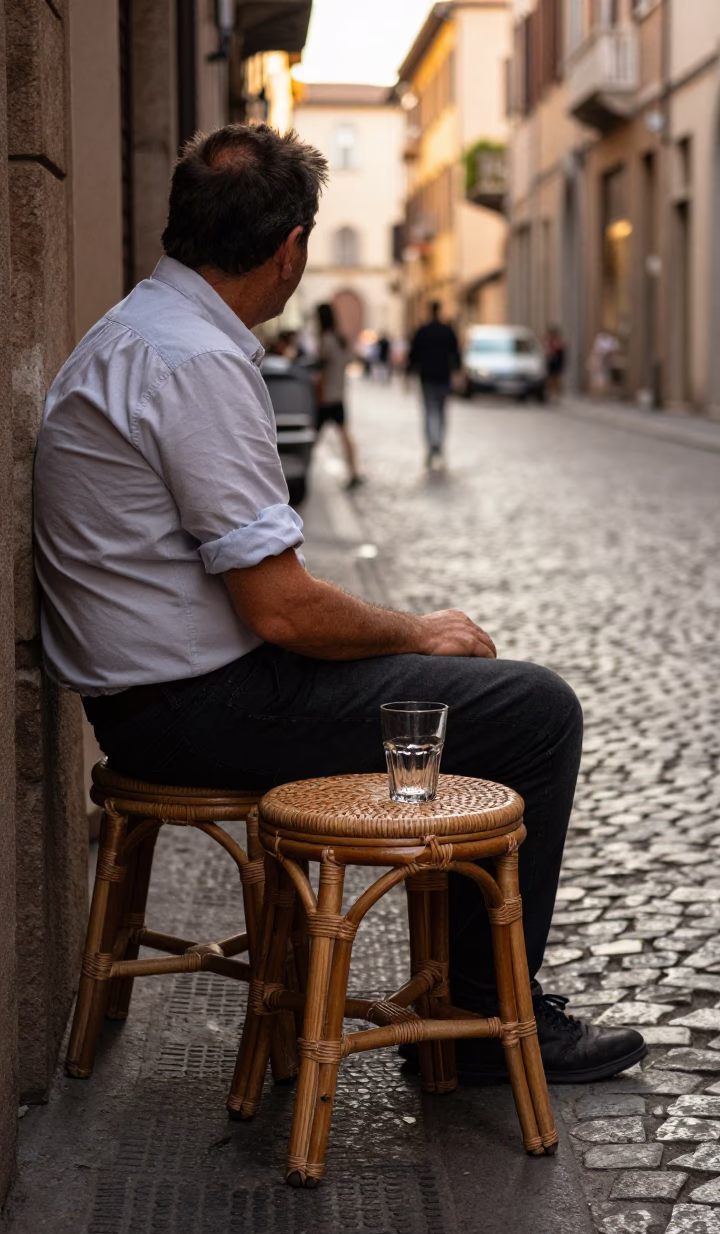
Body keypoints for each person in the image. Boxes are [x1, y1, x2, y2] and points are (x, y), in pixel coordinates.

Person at [33, 124, 645, 1085]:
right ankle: (483, 1015)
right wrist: (415, 630)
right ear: (289, 250)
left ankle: (463, 1001)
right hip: (200, 708)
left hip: (149, 700)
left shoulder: (133, 331)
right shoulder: (195, 359)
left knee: (453, 688)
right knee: (531, 710)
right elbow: (283, 611)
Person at [314, 302, 362, 489]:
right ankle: (354, 470)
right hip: (338, 394)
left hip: (326, 396)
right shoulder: (340, 338)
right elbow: (348, 360)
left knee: (313, 437)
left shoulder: (326, 339)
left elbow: (321, 370)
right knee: (344, 434)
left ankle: (297, 474)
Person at [408, 301, 461, 469]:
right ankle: (438, 444)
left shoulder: (423, 331)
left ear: (429, 311)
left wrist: (408, 375)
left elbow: (413, 356)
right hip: (443, 378)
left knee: (430, 412)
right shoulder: (447, 331)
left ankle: (433, 444)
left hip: (428, 378)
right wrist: (457, 373)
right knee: (441, 412)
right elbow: (456, 355)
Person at [545, 325, 567, 402]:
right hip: (551, 362)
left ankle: (556, 394)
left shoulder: (559, 342)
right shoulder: (549, 341)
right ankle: (551, 394)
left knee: (556, 379)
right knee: (551, 379)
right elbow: (547, 352)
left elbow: (562, 353)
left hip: (557, 362)